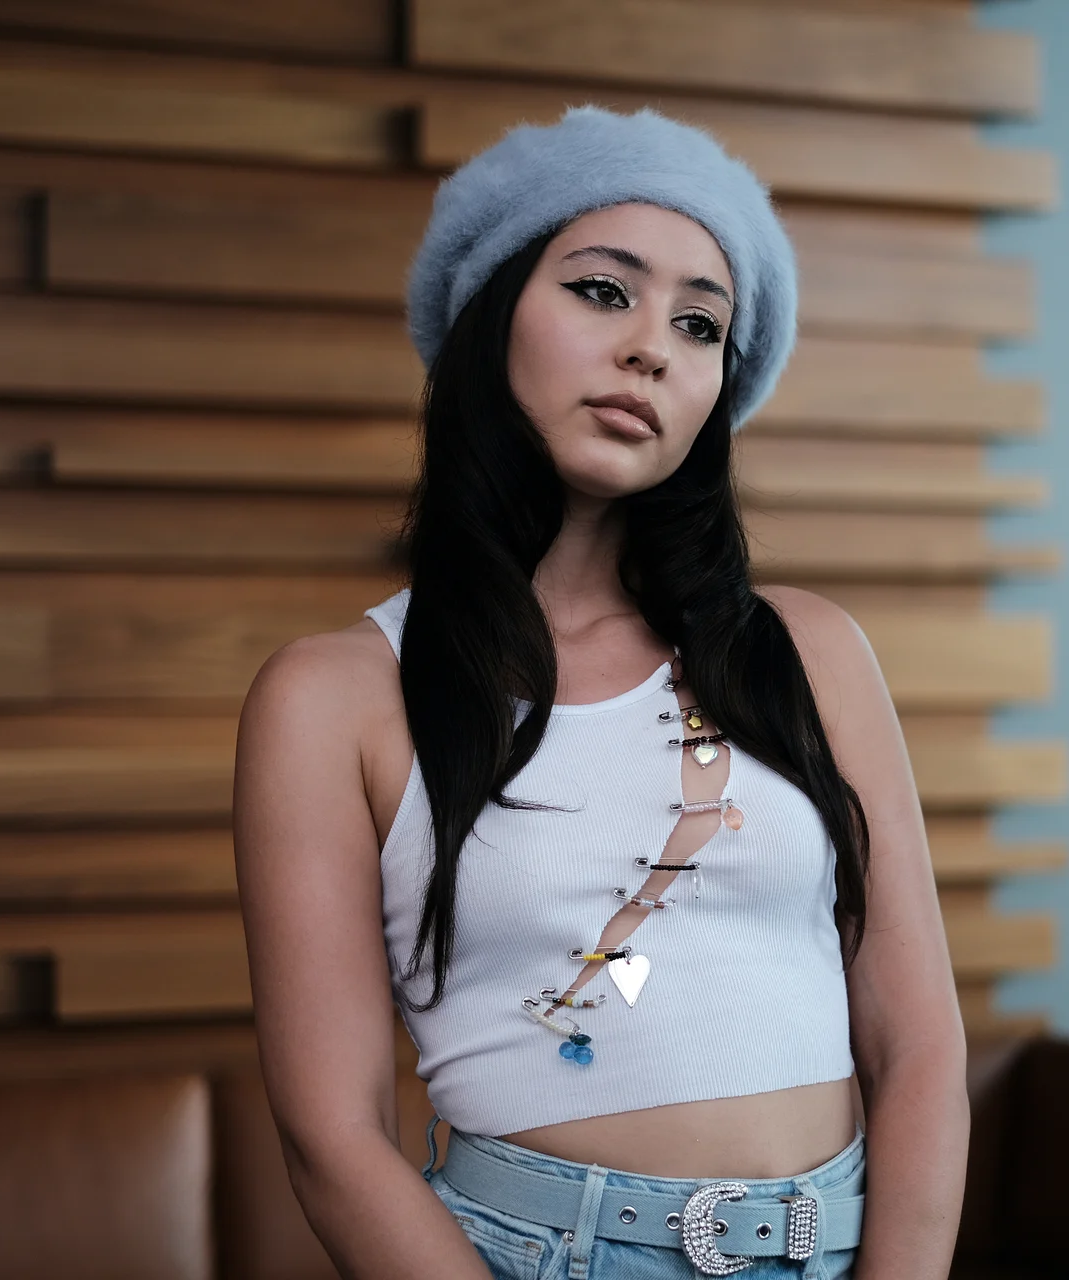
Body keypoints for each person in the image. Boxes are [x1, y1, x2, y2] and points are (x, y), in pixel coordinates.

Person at [234, 106, 969, 1280]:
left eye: (698, 323)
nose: (651, 349)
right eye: (601, 290)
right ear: (491, 314)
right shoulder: (334, 696)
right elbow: (332, 1134)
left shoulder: (806, 650)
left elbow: (918, 1042)